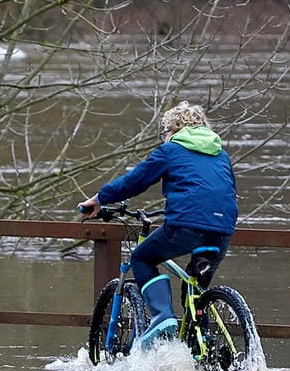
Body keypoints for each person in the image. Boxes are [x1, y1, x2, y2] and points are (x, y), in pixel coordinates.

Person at [78, 101, 238, 343]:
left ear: (172, 130)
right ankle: (204, 350)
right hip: (223, 228)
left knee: (142, 257)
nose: (163, 138)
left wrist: (100, 199)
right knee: (195, 290)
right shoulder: (220, 154)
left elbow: (136, 180)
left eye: (164, 133)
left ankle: (162, 315)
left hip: (187, 225)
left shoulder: (172, 150)